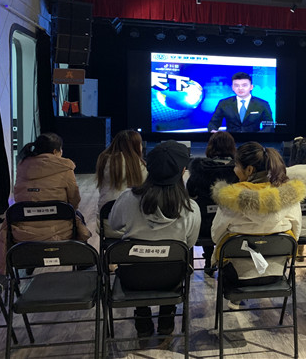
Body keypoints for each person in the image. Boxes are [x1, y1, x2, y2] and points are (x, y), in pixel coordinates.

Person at [108, 140, 201, 337]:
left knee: (139, 267)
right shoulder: (190, 208)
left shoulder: (128, 198)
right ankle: (167, 319)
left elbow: (114, 224)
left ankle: (142, 317)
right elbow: (190, 244)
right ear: (183, 171)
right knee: (173, 262)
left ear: (148, 168)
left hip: (132, 277)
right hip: (172, 277)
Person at [210, 142, 305, 309]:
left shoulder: (230, 200)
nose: (234, 170)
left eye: (236, 165)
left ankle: (236, 300)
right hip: (276, 274)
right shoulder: (290, 197)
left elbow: (215, 236)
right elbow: (296, 235)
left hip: (236, 277)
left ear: (249, 170)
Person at [0, 133, 91, 272]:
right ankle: (82, 261)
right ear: (55, 151)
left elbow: (20, 196)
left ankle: (32, 261)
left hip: (23, 233)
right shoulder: (64, 168)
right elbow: (74, 199)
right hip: (60, 231)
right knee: (78, 217)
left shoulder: (23, 166)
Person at [186, 131, 239, 275]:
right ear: (232, 147)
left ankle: (209, 258)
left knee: (205, 215)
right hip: (233, 226)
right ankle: (226, 260)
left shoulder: (199, 169)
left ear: (211, 147)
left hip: (203, 227)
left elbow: (189, 193)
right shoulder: (238, 171)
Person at [96, 130, 147, 209]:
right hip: (129, 210)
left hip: (104, 208)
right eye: (140, 144)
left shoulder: (104, 159)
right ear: (136, 146)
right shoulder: (137, 164)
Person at [208, 72, 274, 133]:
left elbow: (269, 126)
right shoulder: (224, 103)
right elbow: (213, 123)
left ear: (251, 87)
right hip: (230, 140)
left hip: (254, 140)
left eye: (244, 85)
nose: (240, 88)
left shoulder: (262, 104)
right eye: (236, 85)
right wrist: (215, 133)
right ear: (232, 87)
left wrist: (257, 137)